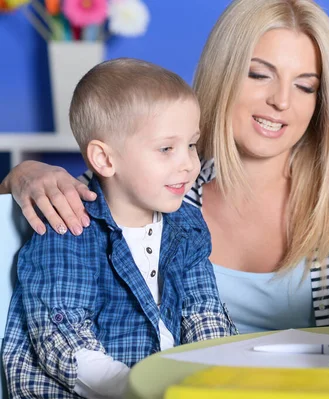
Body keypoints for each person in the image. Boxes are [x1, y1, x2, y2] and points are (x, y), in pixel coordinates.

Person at [0, 0, 329, 335]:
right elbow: (42, 218)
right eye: (260, 75)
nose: (282, 101)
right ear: (223, 72)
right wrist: (23, 177)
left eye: (306, 86)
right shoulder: (162, 181)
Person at [2, 58, 237, 398]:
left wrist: (218, 376)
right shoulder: (68, 226)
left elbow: (203, 310)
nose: (188, 163)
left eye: (191, 145)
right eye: (166, 148)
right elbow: (62, 337)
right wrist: (139, 389)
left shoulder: (187, 224)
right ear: (105, 160)